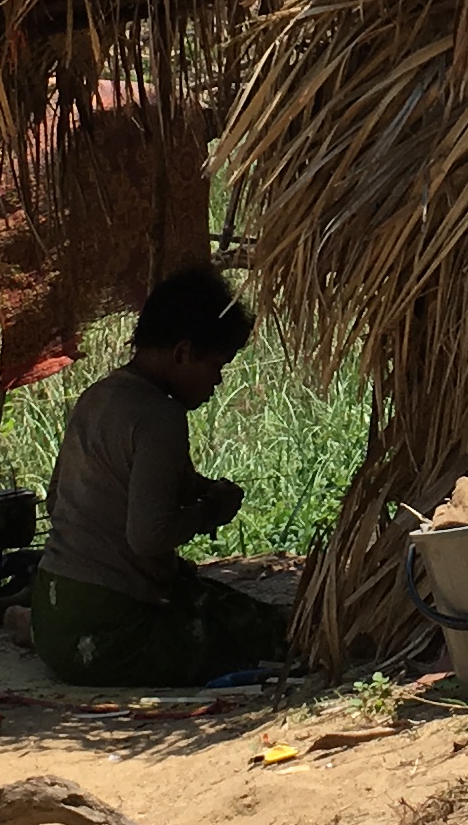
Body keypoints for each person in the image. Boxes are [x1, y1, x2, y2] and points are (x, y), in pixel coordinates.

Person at [31, 264, 284, 685]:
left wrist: (201, 490)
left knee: (223, 605)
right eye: (217, 366)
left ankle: (27, 626)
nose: (218, 382)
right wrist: (206, 512)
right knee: (263, 639)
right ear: (183, 353)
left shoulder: (99, 397)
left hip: (53, 617)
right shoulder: (160, 417)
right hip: (107, 635)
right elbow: (148, 536)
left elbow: (61, 499)